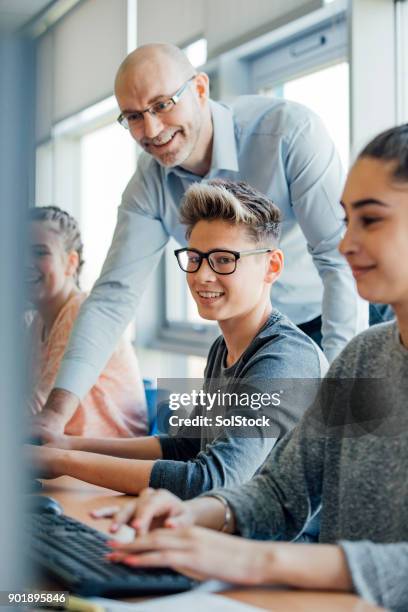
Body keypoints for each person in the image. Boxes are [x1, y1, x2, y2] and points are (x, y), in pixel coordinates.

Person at [98, 125, 408, 611]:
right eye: (346, 221)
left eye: (371, 220)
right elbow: (280, 493)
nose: (345, 244)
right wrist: (196, 515)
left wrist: (254, 560)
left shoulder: (290, 354)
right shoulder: (364, 355)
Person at [35, 42, 366, 434]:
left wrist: (331, 387)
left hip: (339, 318)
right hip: (250, 338)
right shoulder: (149, 184)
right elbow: (112, 298)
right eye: (134, 117)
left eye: (162, 104)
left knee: (335, 451)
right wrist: (54, 416)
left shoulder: (289, 133)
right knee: (203, 449)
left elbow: (338, 259)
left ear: (200, 89)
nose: (152, 131)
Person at [28, 180, 327, 499]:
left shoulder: (284, 359)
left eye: (224, 259)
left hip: (283, 545)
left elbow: (211, 480)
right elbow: (186, 445)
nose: (201, 275)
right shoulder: (223, 348)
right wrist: (67, 444)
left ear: (272, 266)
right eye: (195, 258)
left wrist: (62, 460)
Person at [26, 206, 147, 437]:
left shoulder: (80, 312)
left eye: (40, 253)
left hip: (108, 459)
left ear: (71, 262)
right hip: (67, 451)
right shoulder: (37, 321)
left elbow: (38, 408)